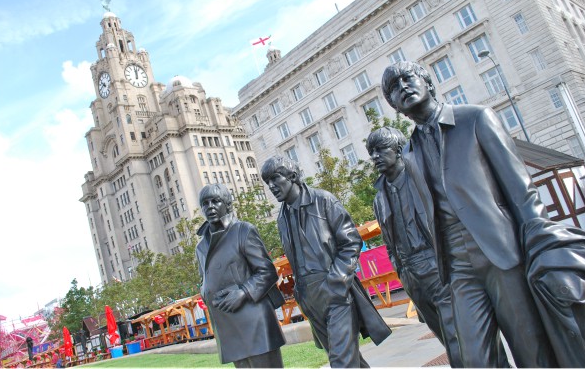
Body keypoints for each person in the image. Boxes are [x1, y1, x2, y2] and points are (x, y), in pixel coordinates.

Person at [381, 60, 557, 367]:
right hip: (457, 267)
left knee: (532, 350)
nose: (403, 88)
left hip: (501, 254)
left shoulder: (475, 118)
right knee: (474, 358)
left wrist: (542, 244)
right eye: (394, 88)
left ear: (429, 83)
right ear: (394, 105)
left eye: (408, 79)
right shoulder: (408, 154)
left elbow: (521, 190)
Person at [261, 156, 391, 368]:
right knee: (347, 360)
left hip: (334, 289)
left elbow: (351, 242)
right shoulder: (282, 218)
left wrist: (336, 280)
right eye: (268, 183)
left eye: (275, 179)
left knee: (342, 362)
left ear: (292, 176)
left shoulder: (323, 201)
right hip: (309, 298)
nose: (272, 186)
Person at [367, 126, 464, 367]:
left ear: (398, 150)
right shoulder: (379, 197)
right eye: (372, 152)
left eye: (380, 150)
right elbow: (390, 243)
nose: (375, 157)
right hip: (411, 275)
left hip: (437, 264)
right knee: (444, 336)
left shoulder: (423, 176)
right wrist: (401, 271)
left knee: (458, 335)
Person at [195, 183, 286, 368]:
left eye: (216, 201)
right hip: (228, 325)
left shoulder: (243, 230)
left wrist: (243, 292)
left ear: (227, 204)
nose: (210, 206)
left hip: (255, 320)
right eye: (205, 203)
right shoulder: (201, 247)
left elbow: (267, 271)